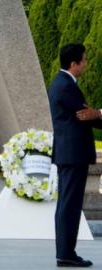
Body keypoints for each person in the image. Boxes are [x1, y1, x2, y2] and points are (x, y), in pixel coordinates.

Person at [48, 43, 102, 268]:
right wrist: (98, 113)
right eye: (84, 60)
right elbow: (85, 115)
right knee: (70, 204)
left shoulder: (62, 84)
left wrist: (94, 114)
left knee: (67, 204)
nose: (86, 63)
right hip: (73, 154)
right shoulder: (66, 86)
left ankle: (66, 252)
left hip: (69, 154)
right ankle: (66, 253)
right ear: (74, 64)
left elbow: (86, 114)